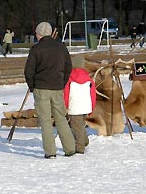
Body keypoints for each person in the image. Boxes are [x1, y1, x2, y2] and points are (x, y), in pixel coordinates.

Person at [24, 22, 76, 159]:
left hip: (41, 88)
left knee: (45, 120)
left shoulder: (36, 49)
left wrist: (32, 86)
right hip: (57, 87)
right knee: (61, 118)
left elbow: (28, 71)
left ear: (39, 34)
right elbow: (68, 67)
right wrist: (62, 83)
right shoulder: (61, 47)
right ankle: (70, 148)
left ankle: (50, 152)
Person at [63, 55, 96, 154]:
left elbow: (66, 94)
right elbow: (93, 94)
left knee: (76, 127)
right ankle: (85, 141)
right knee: (79, 125)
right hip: (86, 106)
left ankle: (80, 147)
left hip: (74, 107)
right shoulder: (88, 79)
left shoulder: (69, 79)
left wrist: (66, 106)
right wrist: (92, 108)